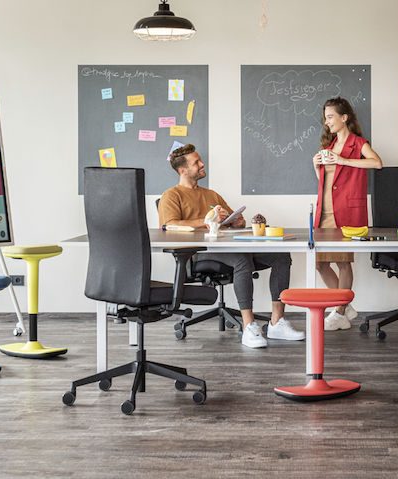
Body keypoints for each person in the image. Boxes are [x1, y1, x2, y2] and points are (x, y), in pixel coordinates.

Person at [159, 144, 305, 349]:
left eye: (200, 160)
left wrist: (236, 221)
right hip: (199, 253)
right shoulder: (172, 195)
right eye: (196, 162)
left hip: (225, 248)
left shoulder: (211, 194)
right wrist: (207, 220)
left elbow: (230, 220)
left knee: (280, 255)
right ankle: (248, 326)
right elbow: (169, 225)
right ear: (182, 170)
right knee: (241, 259)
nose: (202, 164)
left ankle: (277, 323)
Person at [312, 97, 383, 331]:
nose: (326, 121)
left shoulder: (358, 143)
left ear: (344, 117)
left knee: (343, 261)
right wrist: (316, 166)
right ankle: (344, 304)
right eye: (325, 118)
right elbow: (327, 182)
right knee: (320, 264)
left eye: (330, 116)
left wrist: (343, 160)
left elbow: (377, 163)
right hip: (325, 212)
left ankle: (340, 313)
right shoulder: (328, 146)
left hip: (346, 212)